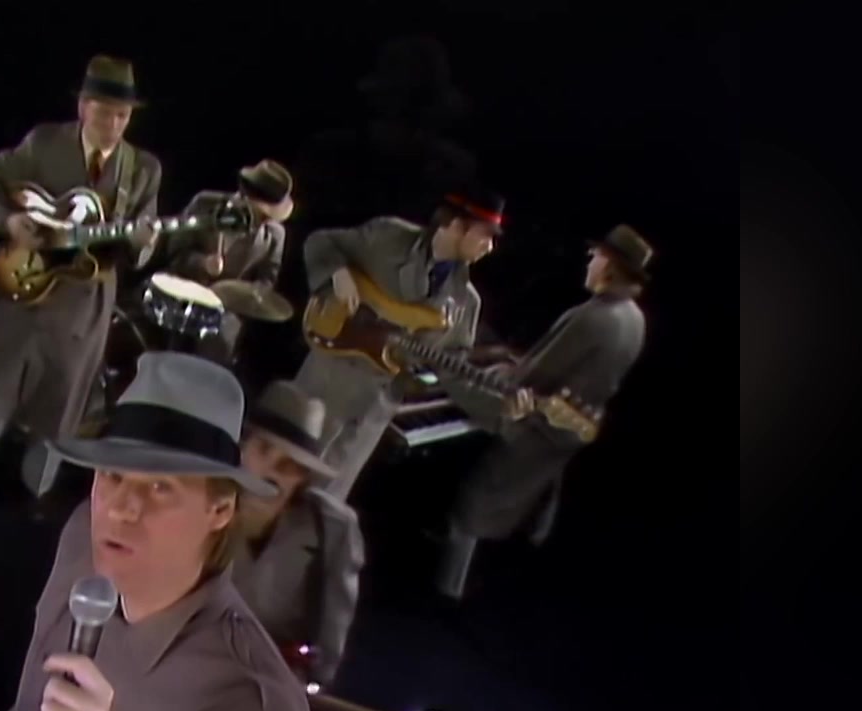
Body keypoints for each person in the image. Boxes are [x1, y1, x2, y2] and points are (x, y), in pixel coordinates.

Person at [3, 352, 312, 711]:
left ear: (220, 510)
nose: (120, 509)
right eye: (113, 475)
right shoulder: (84, 539)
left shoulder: (248, 696)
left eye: (159, 486)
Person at [0, 55, 163, 497]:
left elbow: (141, 247)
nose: (113, 124)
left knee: (59, 412)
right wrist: (7, 222)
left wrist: (144, 241)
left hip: (85, 307)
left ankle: (35, 498)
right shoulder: (45, 143)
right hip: (28, 289)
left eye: (122, 116)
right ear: (82, 107)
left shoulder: (142, 169)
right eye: (103, 112)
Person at [433, 224, 652, 600]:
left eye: (596, 256)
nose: (589, 262)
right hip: (564, 435)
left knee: (474, 504)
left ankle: (444, 594)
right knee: (510, 503)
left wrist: (478, 372)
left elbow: (528, 381)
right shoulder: (635, 318)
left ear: (610, 267)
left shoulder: (592, 316)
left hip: (533, 427)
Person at [294, 187, 507, 500]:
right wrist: (338, 272)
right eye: (485, 235)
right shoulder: (389, 237)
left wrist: (502, 406)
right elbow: (321, 242)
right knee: (278, 476)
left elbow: (455, 372)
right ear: (455, 224)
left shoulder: (466, 302)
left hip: (372, 413)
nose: (489, 247)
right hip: (326, 384)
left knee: (319, 504)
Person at [230, 380, 365, 689]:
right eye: (264, 449)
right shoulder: (200, 504)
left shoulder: (331, 529)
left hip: (270, 686)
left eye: (290, 464)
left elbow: (327, 650)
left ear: (304, 476)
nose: (272, 471)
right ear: (243, 449)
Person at [157, 159, 294, 361]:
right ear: (244, 197)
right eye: (261, 215)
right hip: (182, 296)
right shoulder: (205, 205)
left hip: (225, 313)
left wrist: (240, 293)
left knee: (218, 347)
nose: (265, 222)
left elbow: (267, 280)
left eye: (270, 218)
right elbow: (175, 253)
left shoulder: (275, 234)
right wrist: (203, 263)